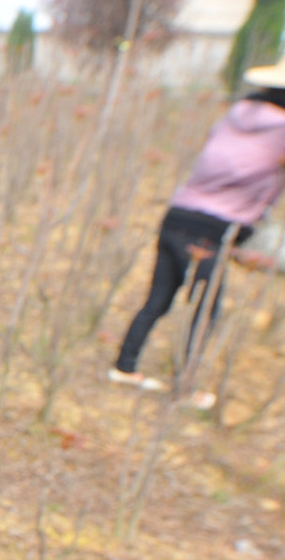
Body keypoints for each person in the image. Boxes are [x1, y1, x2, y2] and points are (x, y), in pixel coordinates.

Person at [109, 57, 285, 409]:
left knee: (158, 298)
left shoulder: (234, 116)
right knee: (206, 309)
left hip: (177, 213)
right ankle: (186, 387)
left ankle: (124, 367)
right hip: (214, 227)